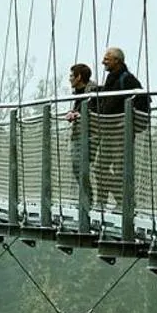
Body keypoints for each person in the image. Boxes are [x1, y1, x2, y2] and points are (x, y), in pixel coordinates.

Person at [88, 47, 152, 218]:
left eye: (107, 59)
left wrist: (129, 121)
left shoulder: (128, 80)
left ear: (117, 60)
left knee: (119, 167)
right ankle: (104, 202)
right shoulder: (112, 80)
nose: (103, 62)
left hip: (121, 132)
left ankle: (124, 203)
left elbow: (143, 102)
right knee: (100, 166)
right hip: (108, 131)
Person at [64, 63, 99, 207]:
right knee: (77, 167)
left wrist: (78, 114)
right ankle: (87, 198)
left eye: (72, 75)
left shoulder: (94, 92)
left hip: (91, 136)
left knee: (82, 166)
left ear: (79, 77)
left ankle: (88, 200)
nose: (69, 79)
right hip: (79, 135)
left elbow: (95, 110)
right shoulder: (79, 93)